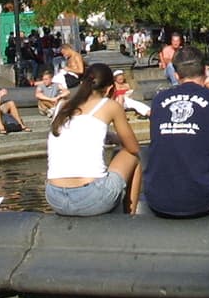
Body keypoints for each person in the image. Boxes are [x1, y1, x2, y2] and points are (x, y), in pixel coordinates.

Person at [143, 46, 209, 218]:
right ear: (205, 70)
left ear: (177, 75)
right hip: (202, 202)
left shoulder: (158, 101)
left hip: (158, 201)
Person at [46, 62, 142, 216]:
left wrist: (109, 136)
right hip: (91, 198)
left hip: (55, 197)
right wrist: (118, 140)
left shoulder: (63, 106)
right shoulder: (110, 105)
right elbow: (133, 147)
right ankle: (130, 216)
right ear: (110, 88)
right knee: (132, 156)